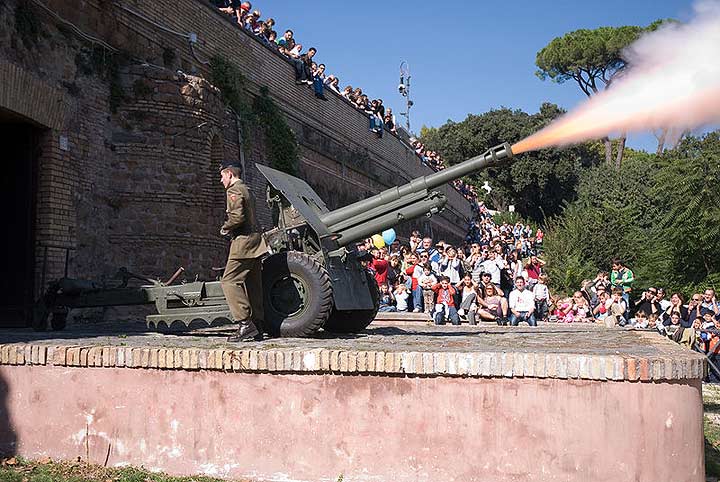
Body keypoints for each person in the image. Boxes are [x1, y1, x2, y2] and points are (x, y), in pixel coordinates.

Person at [219, 162, 268, 342]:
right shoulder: (247, 189)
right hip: (256, 240)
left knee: (229, 281)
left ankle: (245, 324)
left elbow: (237, 217)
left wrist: (225, 228)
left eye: (223, 176)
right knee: (253, 284)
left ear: (230, 174)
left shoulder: (234, 190)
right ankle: (258, 325)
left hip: (243, 242)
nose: (221, 180)